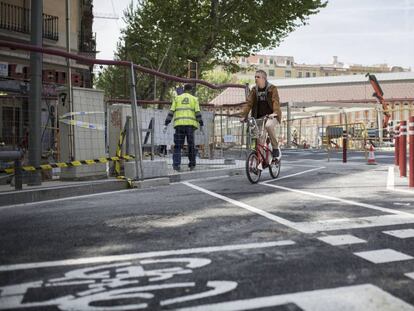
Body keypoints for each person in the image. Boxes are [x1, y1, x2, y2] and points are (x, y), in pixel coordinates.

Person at [240, 70, 282, 159]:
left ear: (264, 78)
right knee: (259, 140)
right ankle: (259, 162)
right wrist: (244, 115)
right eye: (255, 77)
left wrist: (275, 113)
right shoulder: (254, 90)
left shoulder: (272, 88)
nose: (256, 78)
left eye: (258, 77)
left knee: (269, 126)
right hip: (259, 118)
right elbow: (249, 103)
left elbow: (276, 102)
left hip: (271, 116)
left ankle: (275, 147)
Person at [163, 84, 203, 171]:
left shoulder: (177, 98)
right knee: (191, 145)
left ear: (184, 89)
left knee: (178, 146)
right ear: (191, 90)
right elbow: (197, 113)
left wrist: (166, 123)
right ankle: (192, 165)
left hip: (179, 126)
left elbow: (171, 112)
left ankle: (176, 165)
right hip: (190, 126)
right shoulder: (194, 99)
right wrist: (201, 124)